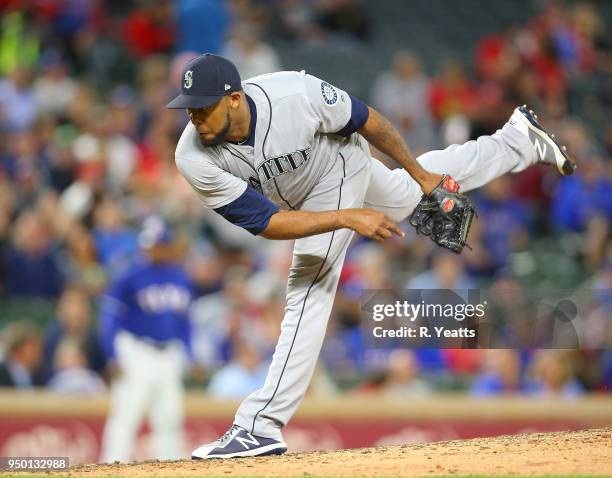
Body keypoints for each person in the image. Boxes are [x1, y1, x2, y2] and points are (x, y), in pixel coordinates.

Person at [166, 53, 575, 459]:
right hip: (302, 199)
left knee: (308, 287)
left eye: (203, 107)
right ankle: (517, 141)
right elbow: (267, 223)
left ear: (234, 99)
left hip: (339, 160)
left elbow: (367, 120)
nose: (195, 118)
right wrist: (353, 215)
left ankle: (260, 426)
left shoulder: (293, 94)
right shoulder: (192, 157)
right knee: (402, 198)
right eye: (189, 109)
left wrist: (420, 172)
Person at [98, 215, 195, 463]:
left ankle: (171, 468)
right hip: (135, 351)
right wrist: (112, 354)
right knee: (126, 416)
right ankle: (111, 467)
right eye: (148, 245)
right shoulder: (129, 276)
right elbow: (110, 318)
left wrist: (189, 352)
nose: (151, 250)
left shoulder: (180, 277)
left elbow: (185, 322)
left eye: (157, 245)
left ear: (167, 245)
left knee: (170, 418)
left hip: (169, 354)